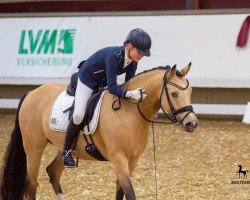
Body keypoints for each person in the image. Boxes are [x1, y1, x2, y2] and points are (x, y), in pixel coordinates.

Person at [62, 28, 152, 167]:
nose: (141, 56)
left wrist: (135, 94)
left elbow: (129, 84)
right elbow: (113, 87)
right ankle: (66, 151)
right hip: (87, 79)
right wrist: (129, 94)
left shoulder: (133, 61)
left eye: (143, 53)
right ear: (128, 45)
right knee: (79, 114)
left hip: (101, 81)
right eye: (139, 52)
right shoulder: (113, 56)